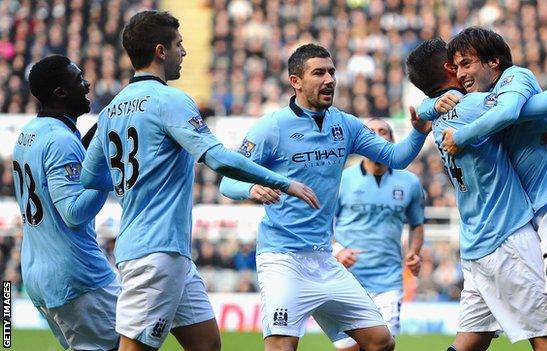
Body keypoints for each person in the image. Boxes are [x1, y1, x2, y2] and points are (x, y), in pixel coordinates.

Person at [80, 11, 319, 351]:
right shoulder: (170, 100)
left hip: (163, 248)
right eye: (179, 44)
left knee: (206, 344)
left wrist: (132, 178)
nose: (184, 52)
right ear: (160, 51)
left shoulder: (111, 109)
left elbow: (91, 176)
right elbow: (218, 157)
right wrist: (284, 182)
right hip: (155, 251)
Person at [417, 26, 547, 351]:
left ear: (493, 61)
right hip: (529, 225)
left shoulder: (516, 79)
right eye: (457, 67)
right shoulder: (477, 102)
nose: (461, 73)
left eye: (467, 64)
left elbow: (536, 105)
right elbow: (514, 114)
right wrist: (430, 107)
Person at [219, 43, 431, 351]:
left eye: (332, 72)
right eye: (319, 73)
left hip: (324, 259)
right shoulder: (272, 128)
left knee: (381, 342)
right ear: (296, 81)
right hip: (283, 258)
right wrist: (250, 188)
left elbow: (395, 158)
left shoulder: (345, 124)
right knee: (280, 346)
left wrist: (418, 132)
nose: (330, 79)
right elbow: (227, 180)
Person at [13, 55, 119, 351]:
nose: (87, 85)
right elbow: (73, 213)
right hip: (77, 275)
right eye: (79, 79)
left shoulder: (28, 134)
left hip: (39, 271)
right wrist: (107, 172)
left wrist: (95, 138)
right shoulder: (61, 141)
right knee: (135, 343)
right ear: (61, 92)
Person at [331, 118, 425, 351]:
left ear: (392, 141)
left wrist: (414, 252)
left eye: (383, 131)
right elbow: (323, 225)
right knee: (350, 348)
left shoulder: (410, 182)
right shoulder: (342, 179)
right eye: (370, 131)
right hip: (347, 280)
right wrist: (337, 250)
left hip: (388, 280)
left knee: (383, 346)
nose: (376, 135)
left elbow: (417, 224)